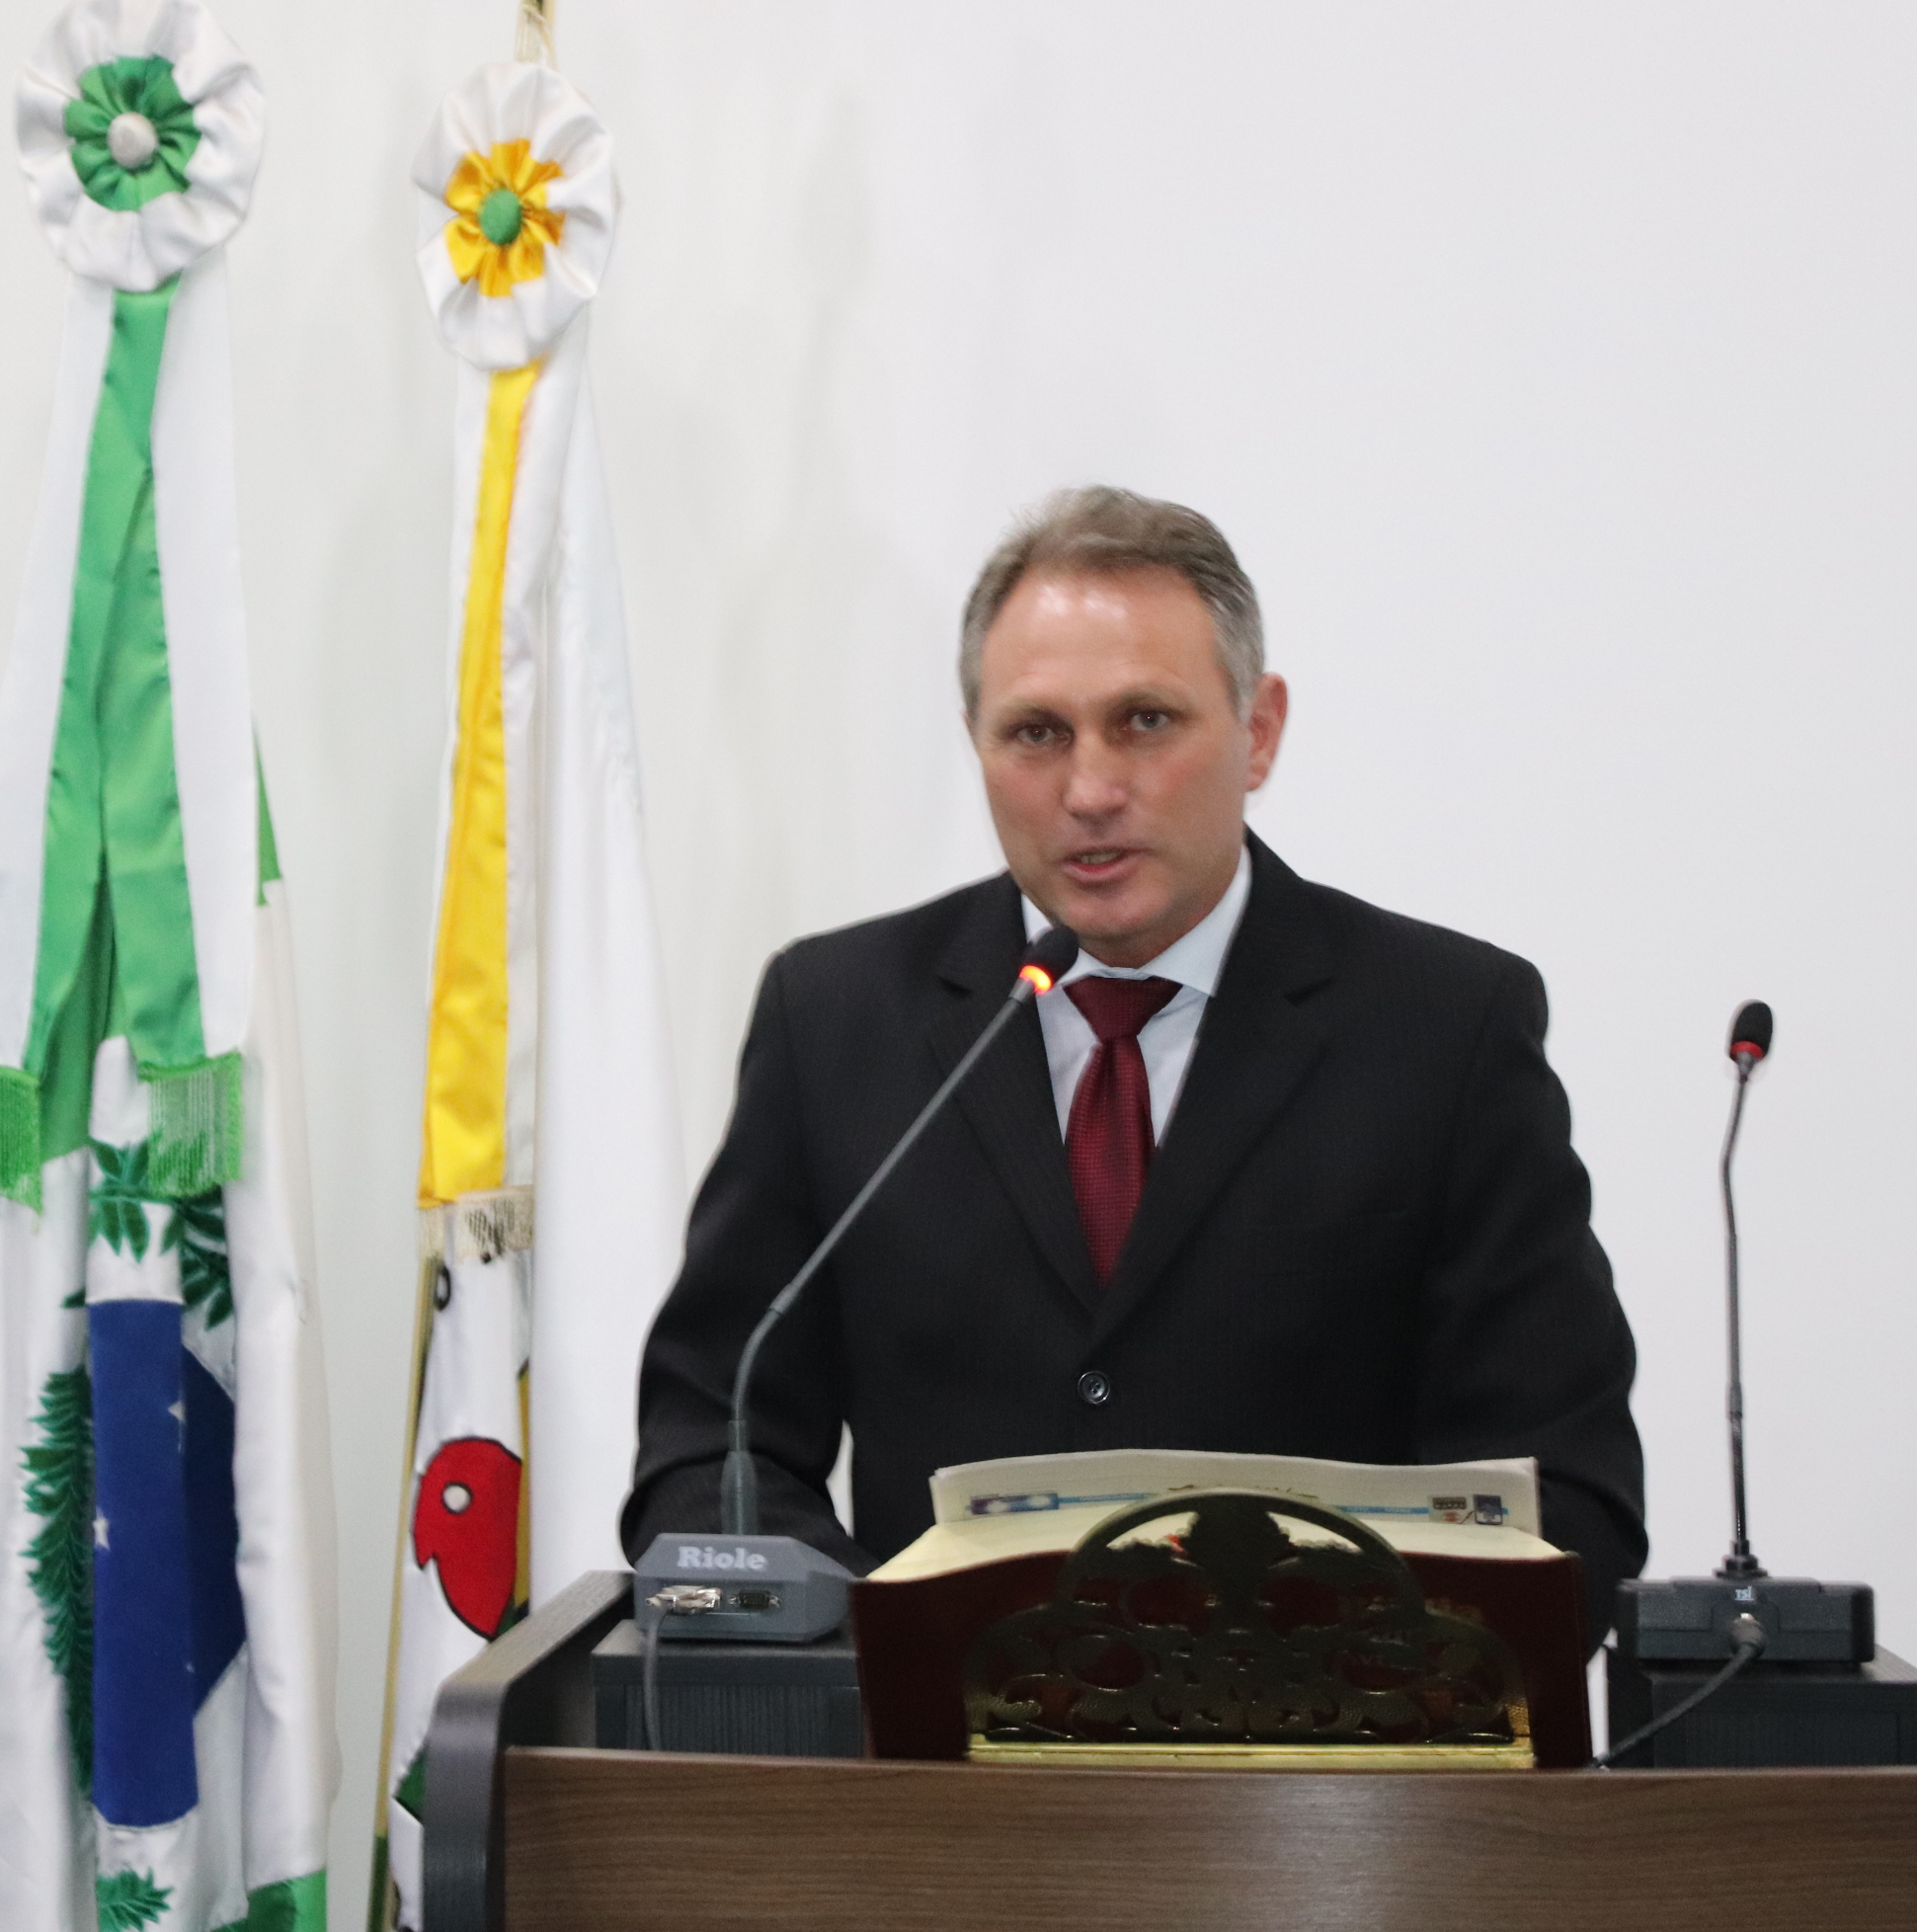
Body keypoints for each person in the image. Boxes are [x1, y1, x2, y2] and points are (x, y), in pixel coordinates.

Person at [623, 486, 1643, 1634]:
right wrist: (867, 1639)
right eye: (1037, 732)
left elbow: (1569, 1492)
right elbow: (713, 1437)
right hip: (930, 1778)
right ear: (979, 744)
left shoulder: (1444, 1028)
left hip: (1324, 1774)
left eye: (1145, 721)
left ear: (1258, 732)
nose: (1091, 789)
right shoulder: (836, 1017)